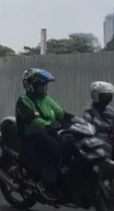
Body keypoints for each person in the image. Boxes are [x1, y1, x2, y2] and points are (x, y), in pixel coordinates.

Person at [15, 68, 73, 200]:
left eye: (44, 85)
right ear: (30, 86)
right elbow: (32, 120)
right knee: (54, 148)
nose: (43, 88)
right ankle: (45, 183)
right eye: (40, 85)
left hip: (47, 132)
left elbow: (60, 112)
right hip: (30, 136)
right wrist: (48, 124)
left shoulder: (46, 99)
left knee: (69, 143)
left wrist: (75, 119)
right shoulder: (24, 100)